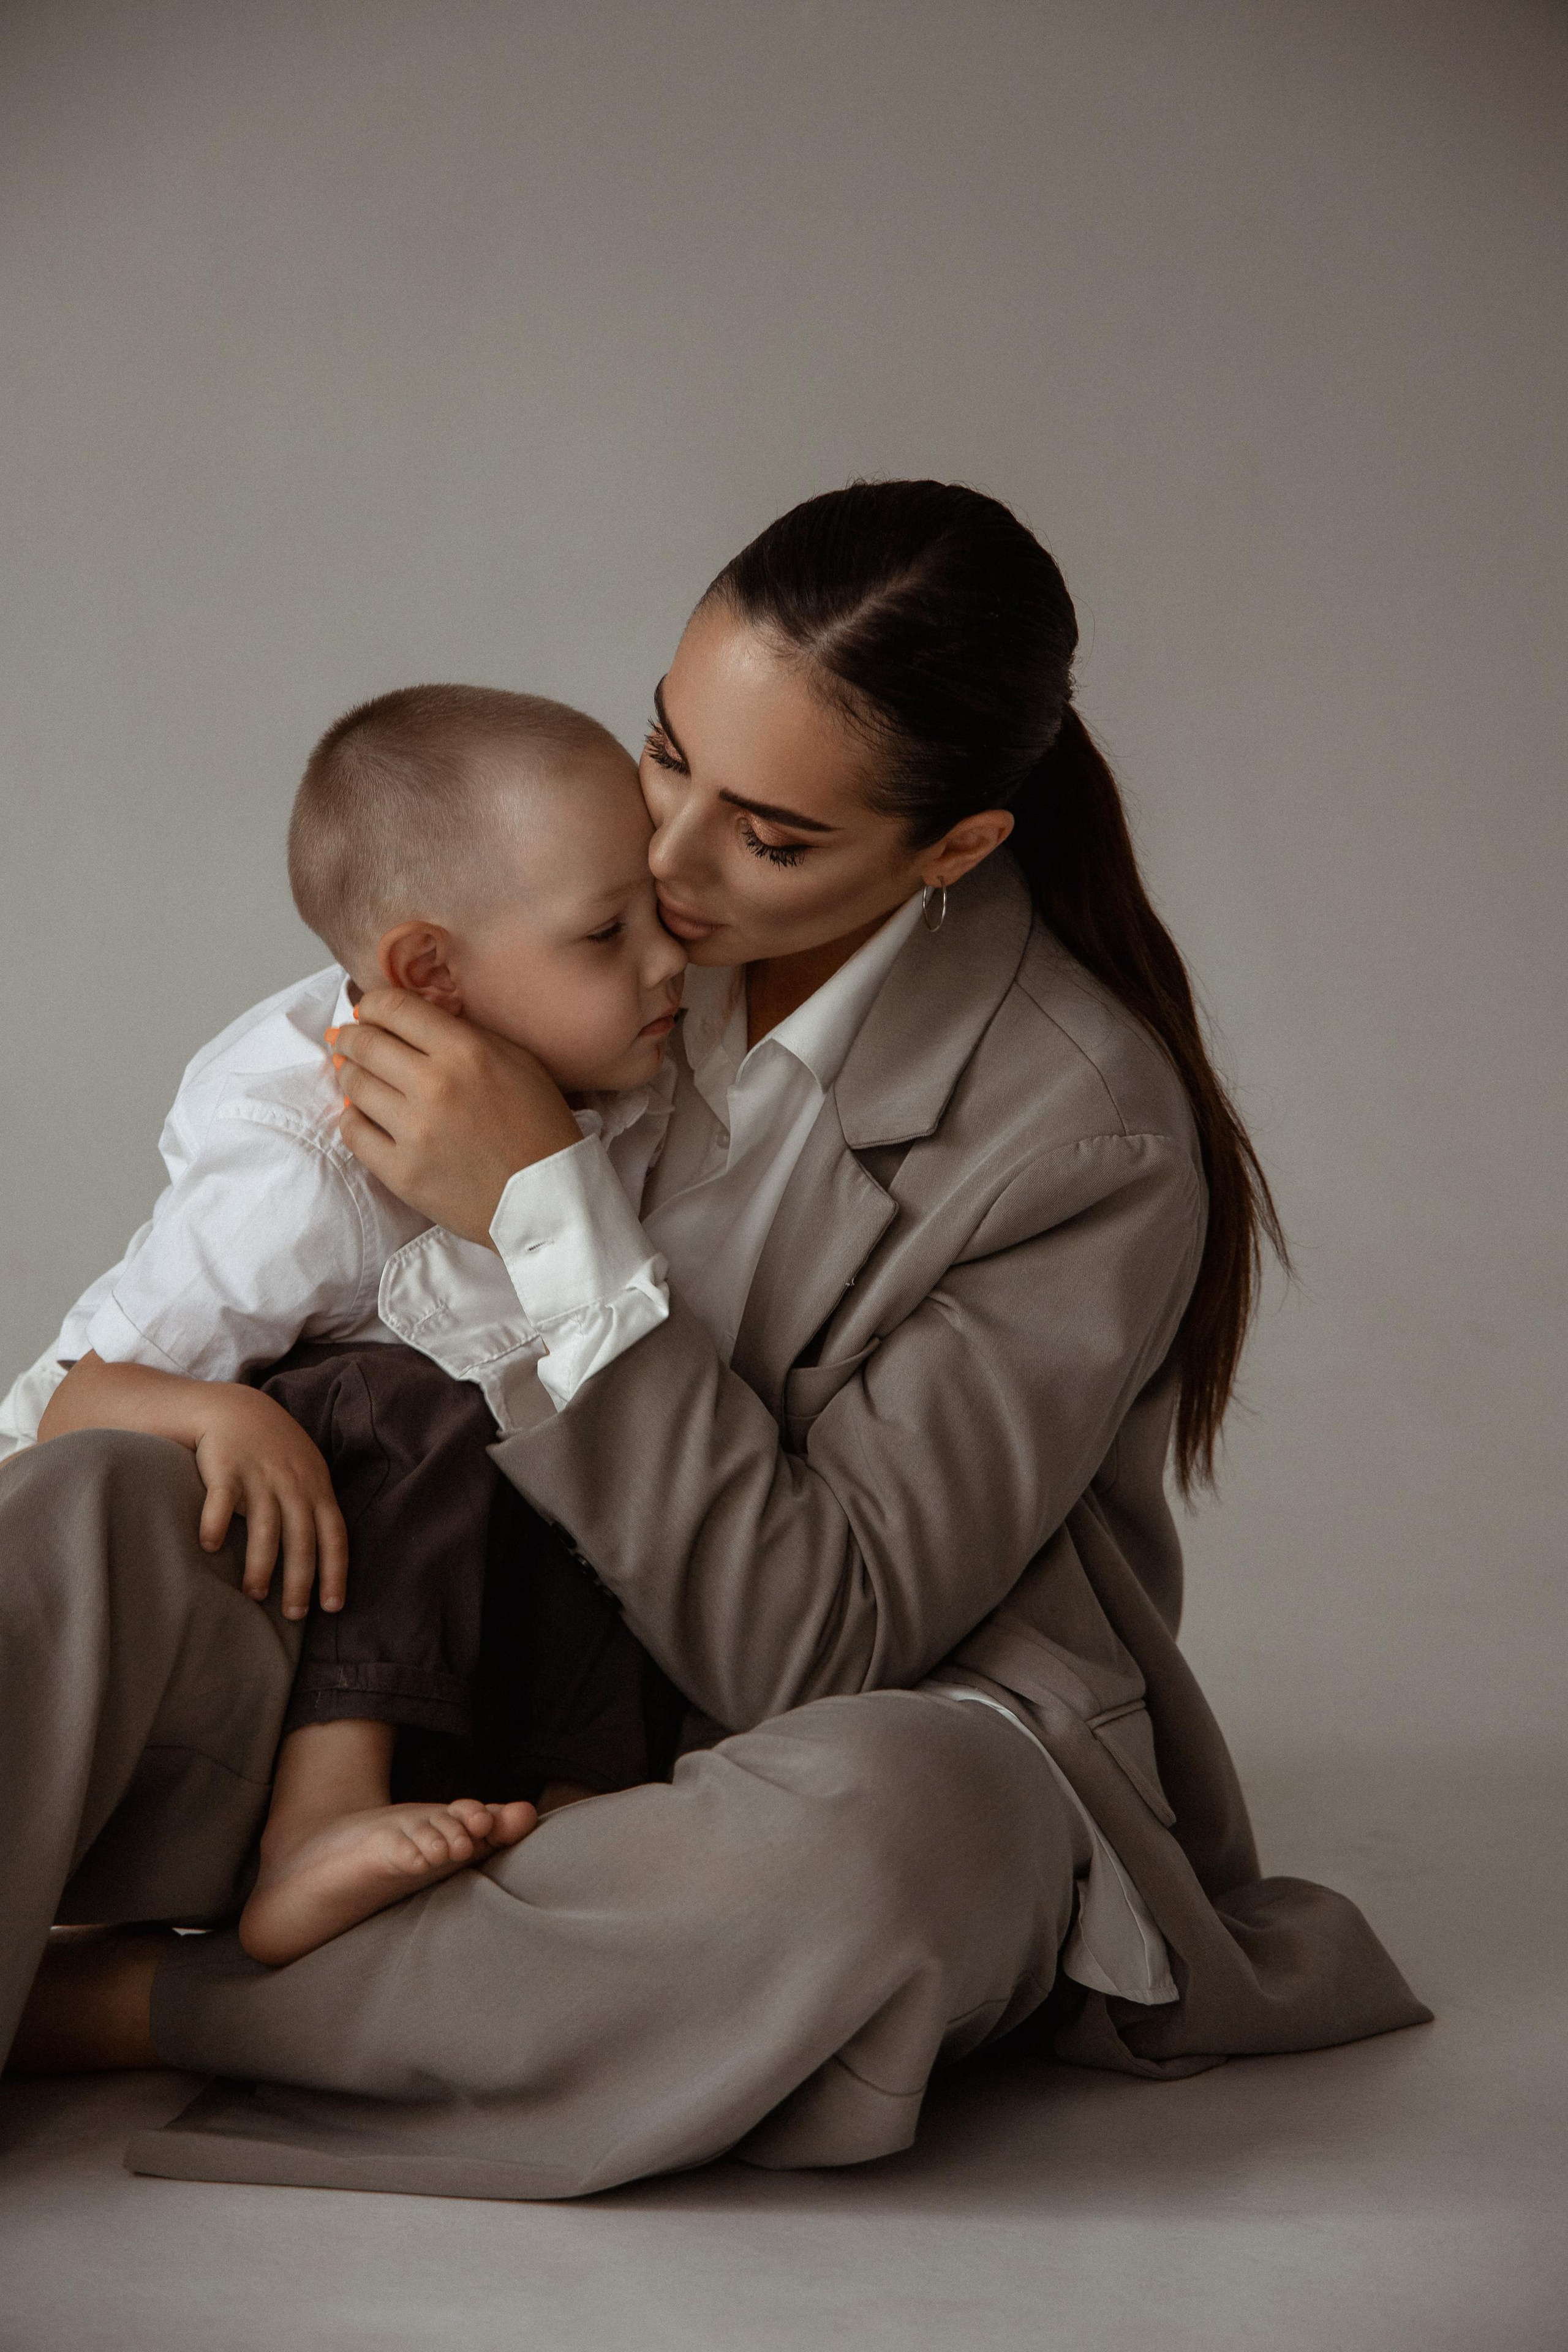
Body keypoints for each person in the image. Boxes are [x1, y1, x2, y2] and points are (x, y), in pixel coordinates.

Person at [0, 481, 1428, 2201]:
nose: (665, 868)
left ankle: (137, 1998)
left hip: (812, 1727)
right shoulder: (580, 901)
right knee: (95, 1511)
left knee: (865, 1859)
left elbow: (808, 1646)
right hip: (449, 1659)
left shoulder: (1088, 1139)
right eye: (667, 747)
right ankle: (422, 1951)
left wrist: (542, 1208)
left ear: (955, 848)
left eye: (768, 834)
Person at [4, 684, 688, 1968]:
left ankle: (580, 1808)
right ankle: (319, 1823)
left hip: (478, 1615)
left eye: (661, 910)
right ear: (432, 974)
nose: (670, 960)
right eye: (608, 932)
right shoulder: (297, 1170)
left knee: (604, 1422)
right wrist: (219, 1413)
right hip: (312, 1612)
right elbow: (49, 1406)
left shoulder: (617, 1059)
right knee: (412, 1398)